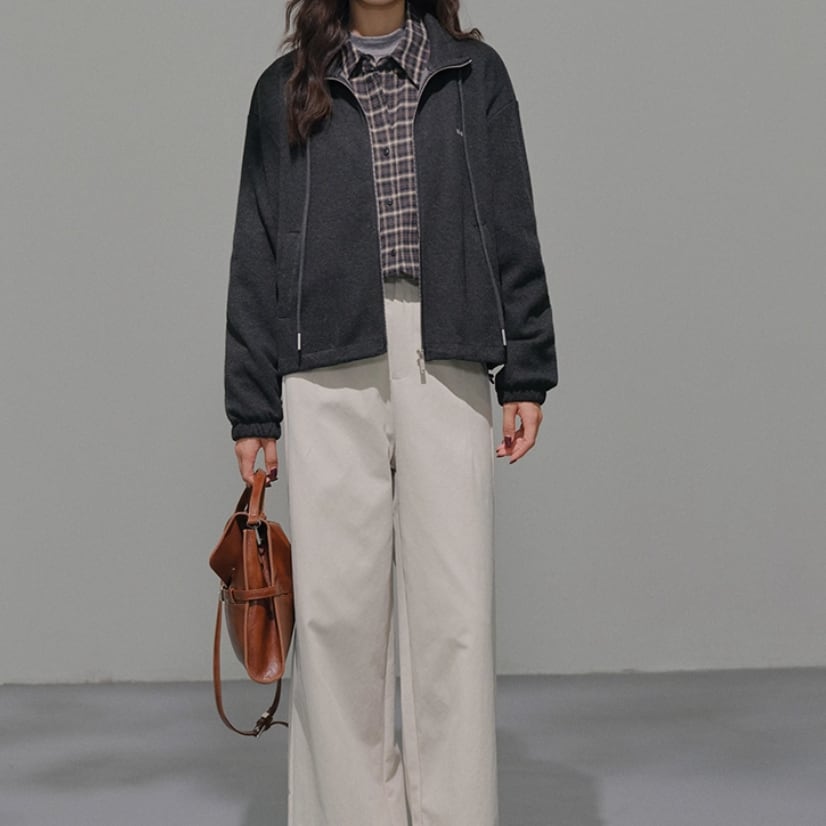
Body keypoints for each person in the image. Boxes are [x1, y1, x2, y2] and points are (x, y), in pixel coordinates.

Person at [224, 0, 558, 823]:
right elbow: (256, 244)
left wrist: (527, 369)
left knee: (456, 619)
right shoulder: (284, 89)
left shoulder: (473, 74)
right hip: (324, 363)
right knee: (335, 621)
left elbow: (511, 217)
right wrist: (252, 407)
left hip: (447, 347)